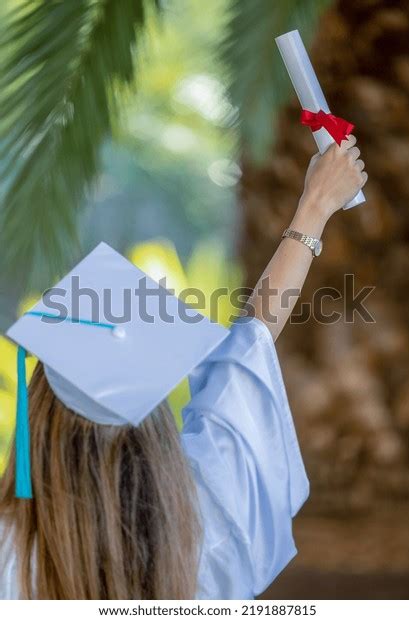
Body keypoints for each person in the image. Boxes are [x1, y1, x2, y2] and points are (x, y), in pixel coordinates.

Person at [0, 136, 366, 600]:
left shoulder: (9, 553)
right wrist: (314, 206)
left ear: (38, 421)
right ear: (152, 431)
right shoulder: (201, 530)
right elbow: (248, 350)